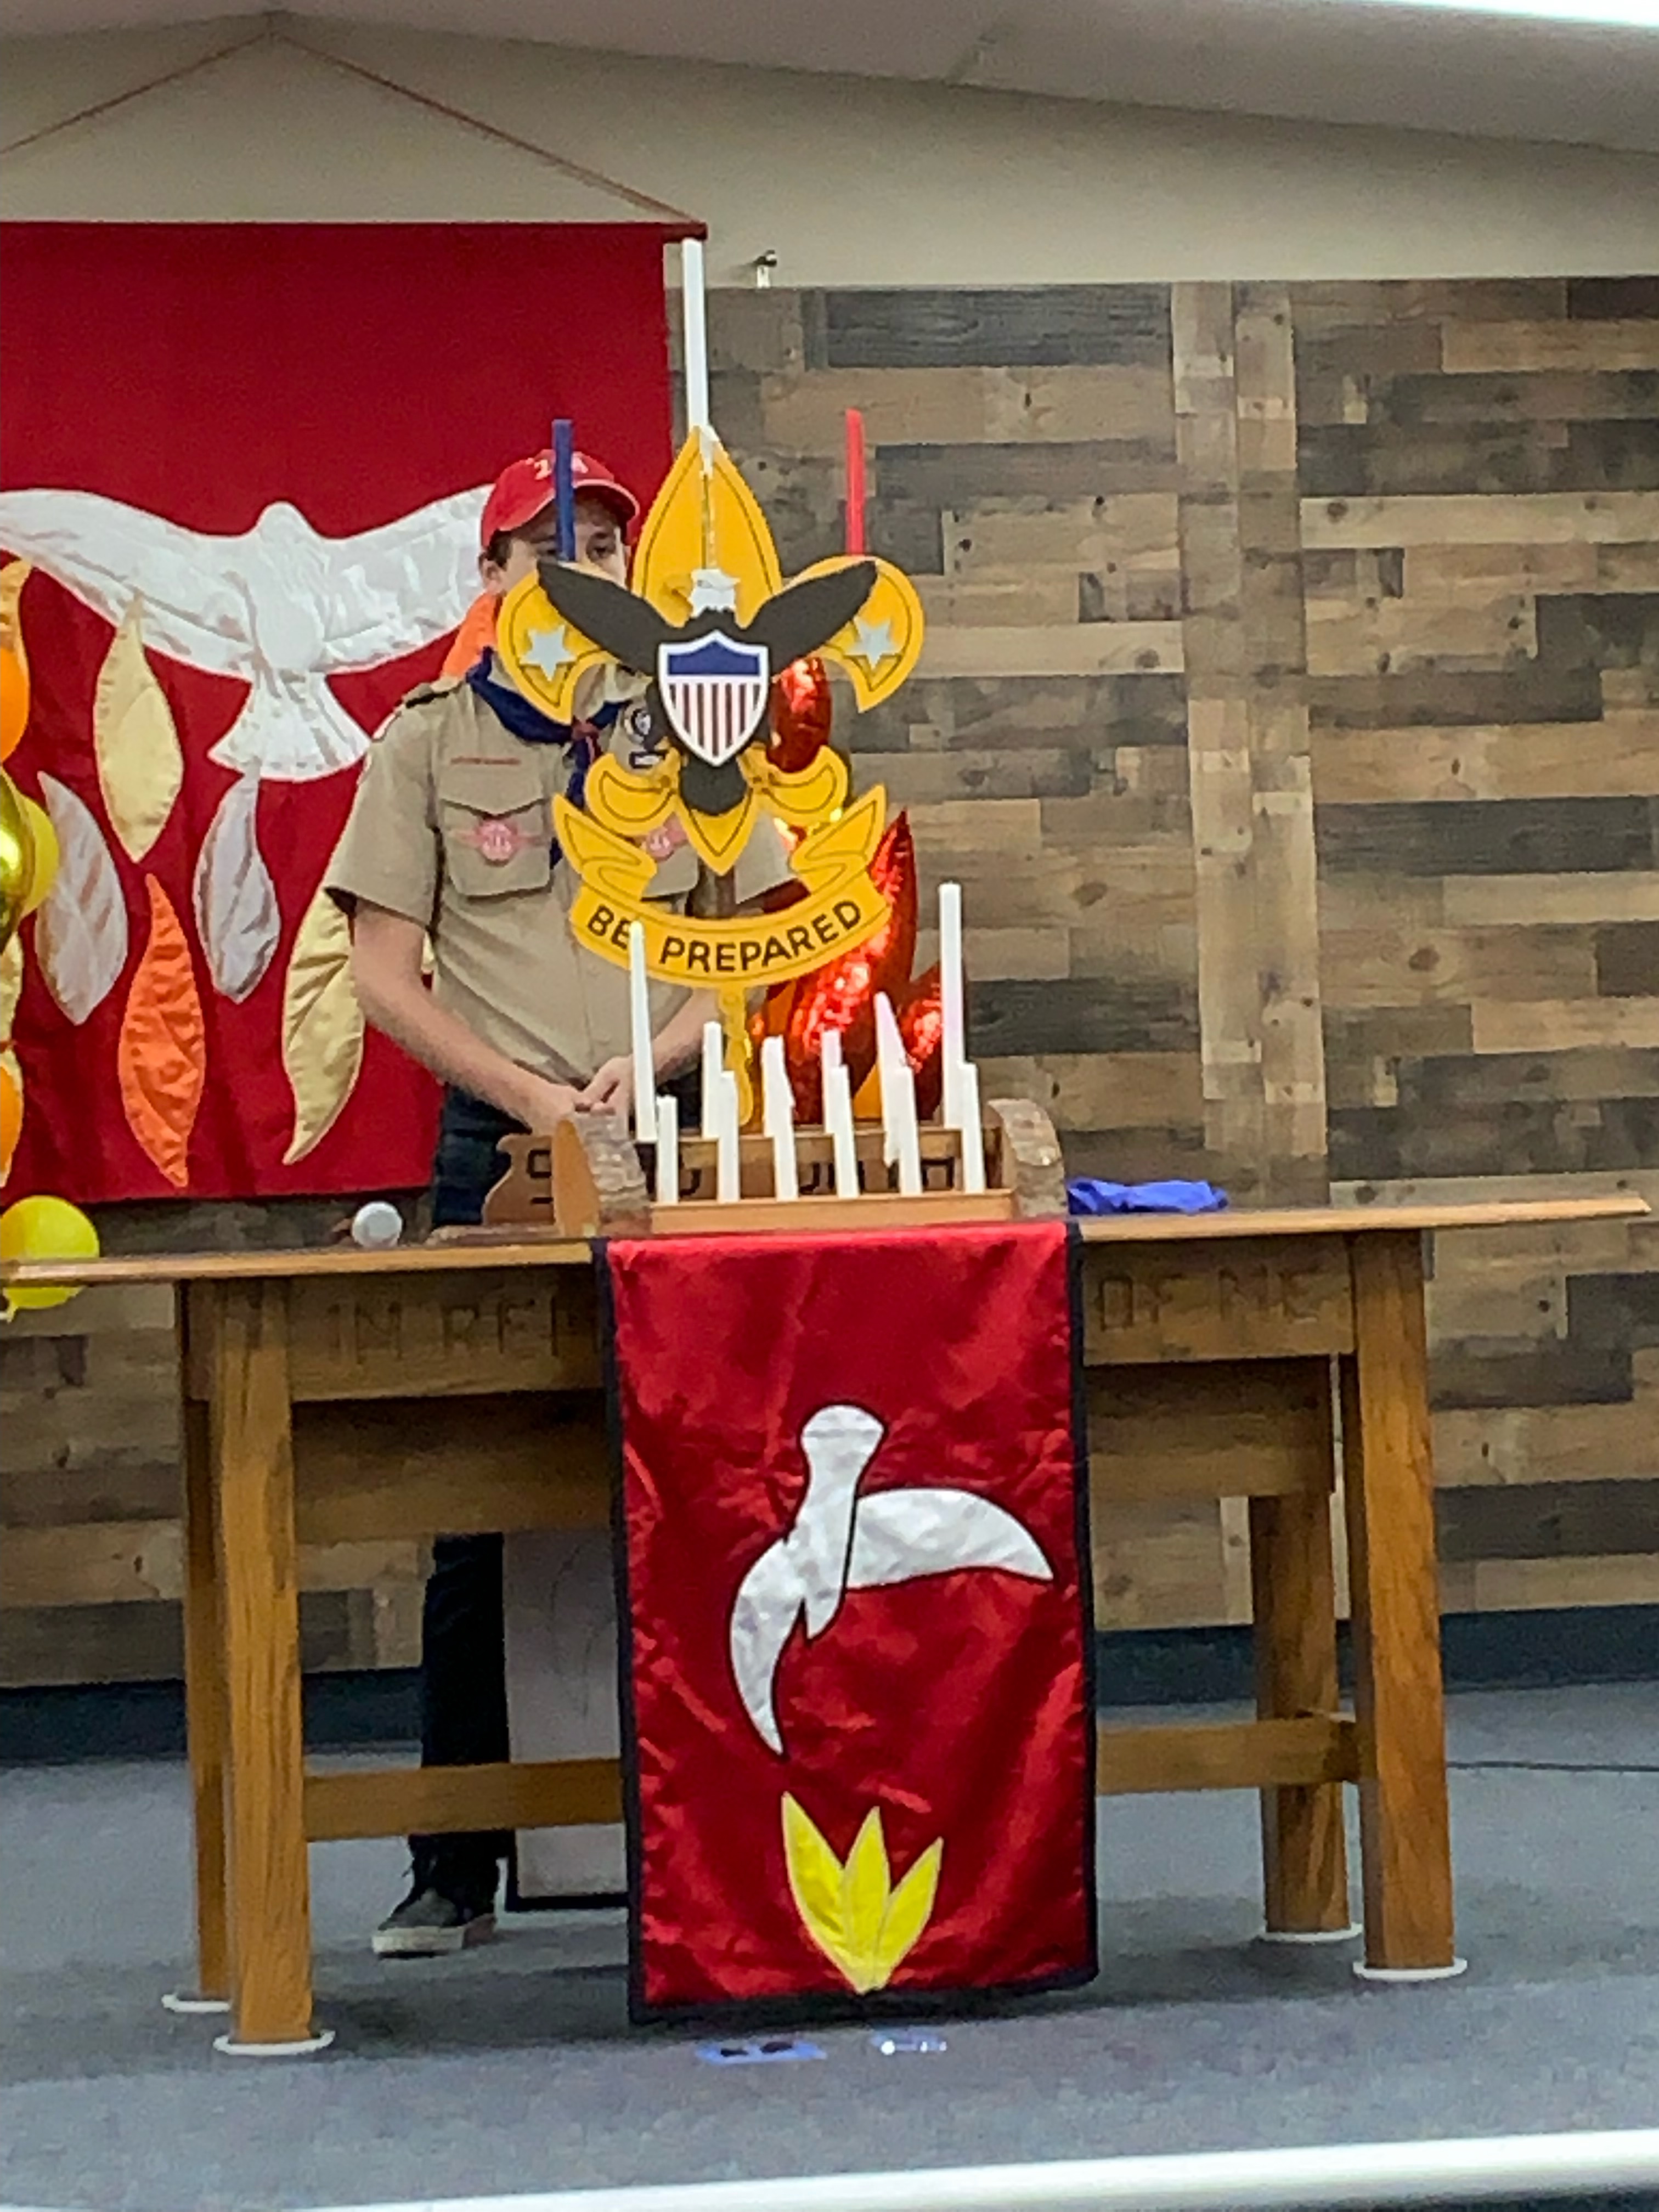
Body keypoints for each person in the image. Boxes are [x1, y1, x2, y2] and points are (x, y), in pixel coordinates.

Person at [326, 447, 785, 1955]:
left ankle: (733, 1834)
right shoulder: (427, 744)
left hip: (681, 1128)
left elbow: (766, 936)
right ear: (495, 574)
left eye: (605, 543)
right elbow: (383, 974)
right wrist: (530, 1096)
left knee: (719, 1473)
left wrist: (662, 1061)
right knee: (481, 1497)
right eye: (551, 543)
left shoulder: (698, 727)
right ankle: (454, 1860)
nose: (582, 566)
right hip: (504, 1146)